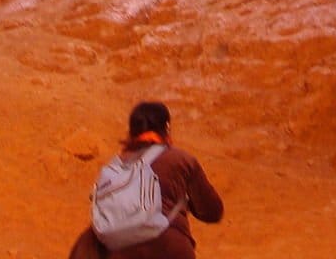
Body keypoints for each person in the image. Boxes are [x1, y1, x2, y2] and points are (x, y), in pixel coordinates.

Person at [69, 102, 224, 259]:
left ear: (131, 132)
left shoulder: (114, 168)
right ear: (167, 128)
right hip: (171, 248)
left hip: (120, 251)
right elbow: (212, 211)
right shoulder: (181, 160)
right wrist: (186, 202)